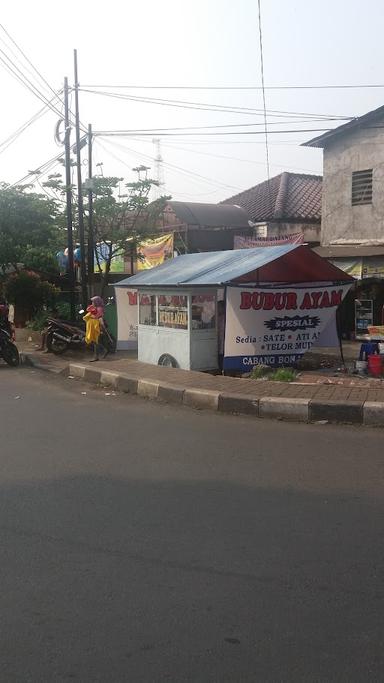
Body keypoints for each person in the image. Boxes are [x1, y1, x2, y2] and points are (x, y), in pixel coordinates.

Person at [83, 296, 108, 361]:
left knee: (95, 341)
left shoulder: (99, 309)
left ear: (96, 302)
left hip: (95, 326)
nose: (92, 303)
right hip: (92, 326)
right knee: (94, 341)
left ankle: (96, 356)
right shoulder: (94, 308)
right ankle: (103, 350)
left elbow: (99, 317)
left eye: (93, 301)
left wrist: (102, 327)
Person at [217, 300, 225, 372]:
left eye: (219, 307)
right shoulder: (216, 317)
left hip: (223, 340)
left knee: (222, 355)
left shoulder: (226, 318)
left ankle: (221, 369)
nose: (218, 308)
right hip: (218, 340)